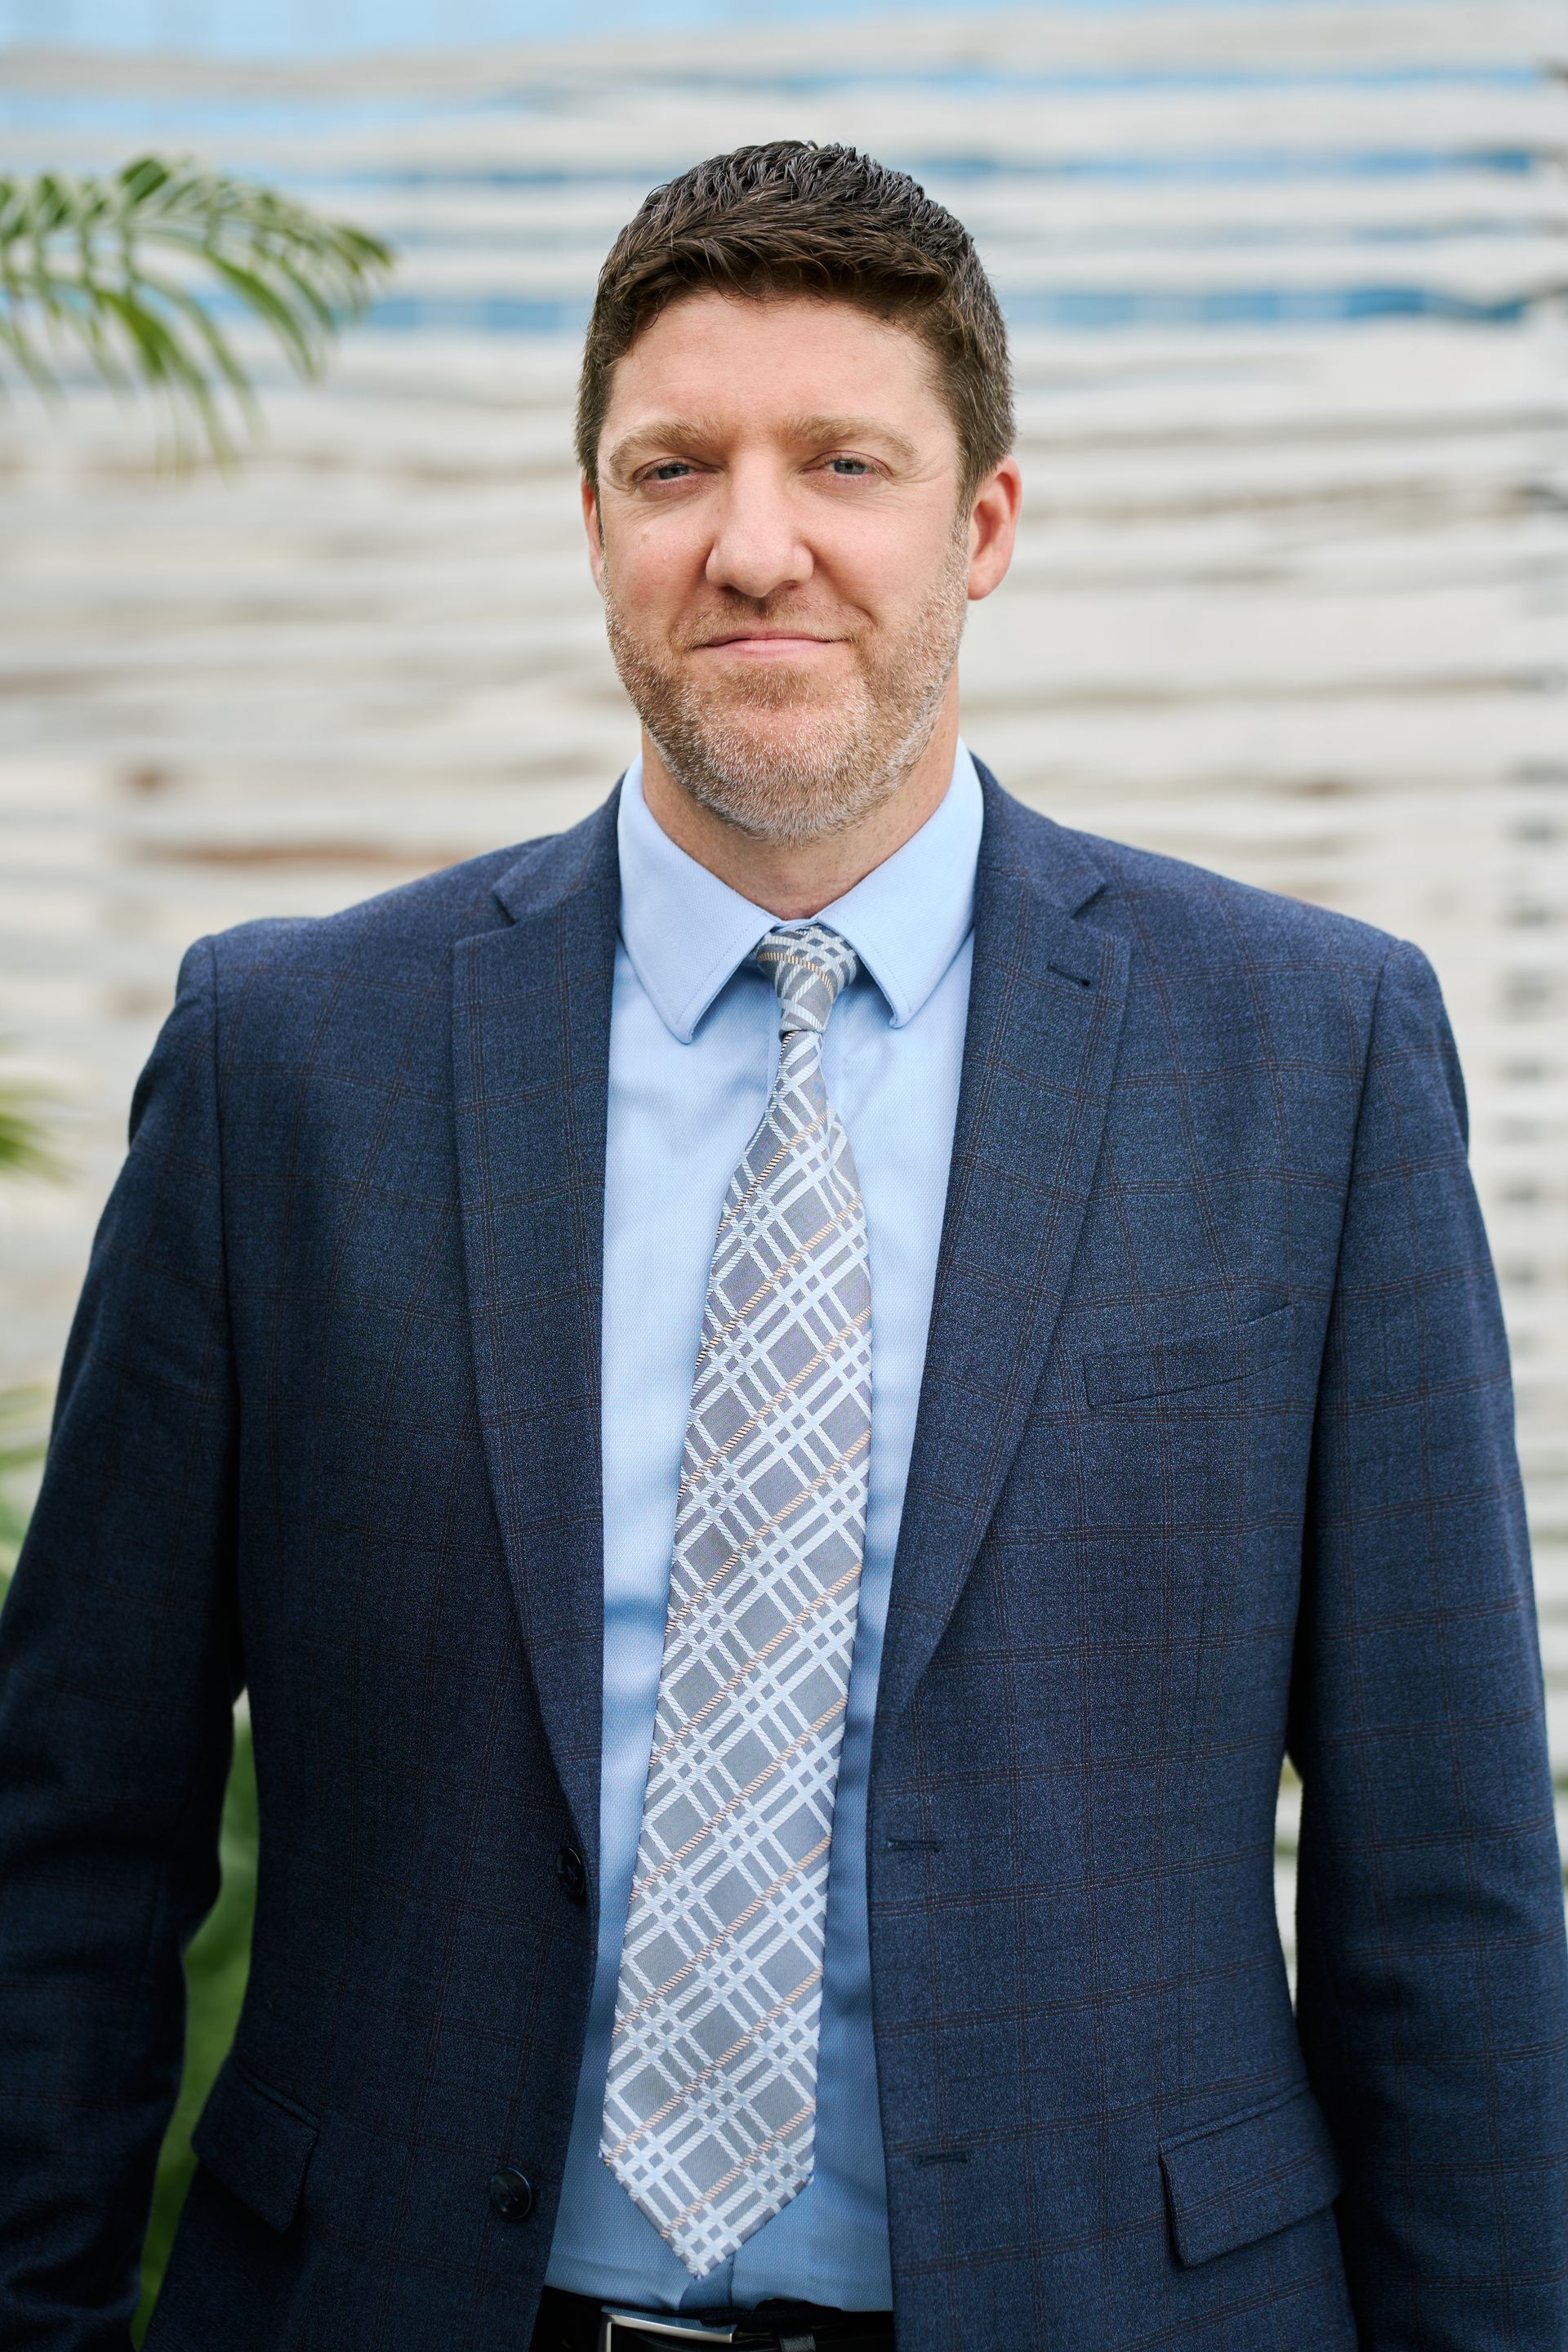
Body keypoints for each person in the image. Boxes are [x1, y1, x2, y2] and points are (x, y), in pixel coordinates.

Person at [0, 140, 1563, 2352]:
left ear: (983, 526)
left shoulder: (1311, 1061)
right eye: (674, 467)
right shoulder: (291, 1064)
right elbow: (72, 1838)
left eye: (844, 460)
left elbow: (1452, 1896)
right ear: (595, 529)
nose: (756, 544)